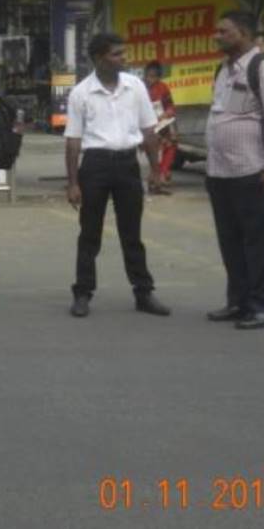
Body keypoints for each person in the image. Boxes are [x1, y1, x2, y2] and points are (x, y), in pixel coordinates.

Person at [63, 34, 170, 319]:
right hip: (95, 165)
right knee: (89, 234)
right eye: (116, 54)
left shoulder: (135, 87)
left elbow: (149, 131)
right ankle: (83, 293)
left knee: (131, 233)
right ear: (99, 58)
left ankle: (143, 293)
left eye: (123, 53)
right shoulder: (81, 93)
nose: (124, 59)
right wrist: (73, 183)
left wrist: (156, 171)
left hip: (127, 164)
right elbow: (73, 140)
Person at [205, 10, 264, 330]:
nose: (216, 36)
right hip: (220, 172)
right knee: (231, 242)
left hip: (252, 172)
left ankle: (263, 307)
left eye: (223, 31)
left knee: (257, 244)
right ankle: (239, 301)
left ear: (243, 33)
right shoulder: (224, 69)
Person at [142, 61, 178, 190]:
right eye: (148, 76)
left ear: (158, 77)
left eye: (153, 77)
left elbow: (170, 106)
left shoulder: (163, 87)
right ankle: (156, 174)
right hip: (146, 126)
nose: (150, 79)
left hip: (161, 124)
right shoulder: (140, 88)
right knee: (152, 149)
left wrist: (167, 113)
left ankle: (162, 173)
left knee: (171, 143)